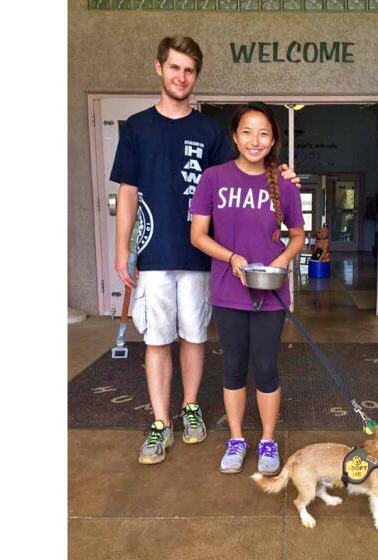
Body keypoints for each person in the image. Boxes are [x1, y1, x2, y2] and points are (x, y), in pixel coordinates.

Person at [110, 37, 299, 465]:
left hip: (203, 259)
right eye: (174, 68)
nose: (181, 77)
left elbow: (248, 166)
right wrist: (122, 249)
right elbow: (127, 190)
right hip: (154, 254)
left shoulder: (211, 132)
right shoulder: (136, 128)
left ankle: (190, 407)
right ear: (159, 68)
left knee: (194, 337)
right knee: (157, 340)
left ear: (196, 76)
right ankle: (161, 422)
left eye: (189, 71)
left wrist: (284, 171)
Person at [190, 102, 306, 475]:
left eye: (263, 134)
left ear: (273, 141)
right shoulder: (213, 178)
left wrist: (282, 260)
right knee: (234, 368)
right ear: (234, 137)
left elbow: (299, 236)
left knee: (267, 368)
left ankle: (268, 440)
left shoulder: (285, 185)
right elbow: (197, 236)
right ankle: (237, 439)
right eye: (247, 132)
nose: (255, 141)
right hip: (229, 290)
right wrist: (231, 258)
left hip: (271, 293)